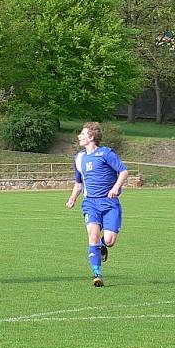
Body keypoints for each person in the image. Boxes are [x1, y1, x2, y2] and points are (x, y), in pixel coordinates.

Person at [65, 122, 128, 287]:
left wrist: (116, 187)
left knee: (109, 240)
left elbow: (123, 171)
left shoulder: (106, 153)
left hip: (109, 203)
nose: (79, 136)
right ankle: (97, 274)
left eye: (83, 133)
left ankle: (103, 246)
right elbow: (79, 182)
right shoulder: (79, 158)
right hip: (90, 203)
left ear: (91, 137)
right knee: (92, 235)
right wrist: (72, 198)